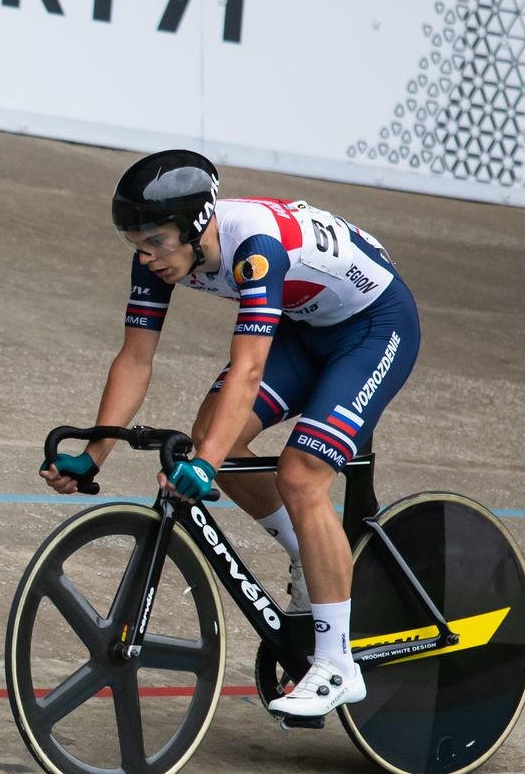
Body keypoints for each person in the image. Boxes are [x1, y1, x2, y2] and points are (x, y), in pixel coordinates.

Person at [41, 149, 420, 720]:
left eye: (157, 243)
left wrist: (207, 466)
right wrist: (94, 453)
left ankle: (339, 665)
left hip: (374, 327)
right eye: (136, 245)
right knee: (209, 433)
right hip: (308, 327)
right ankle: (308, 557)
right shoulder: (158, 255)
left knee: (300, 474)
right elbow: (135, 359)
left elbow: (246, 370)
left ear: (197, 226)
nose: (146, 257)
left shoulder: (255, 250)